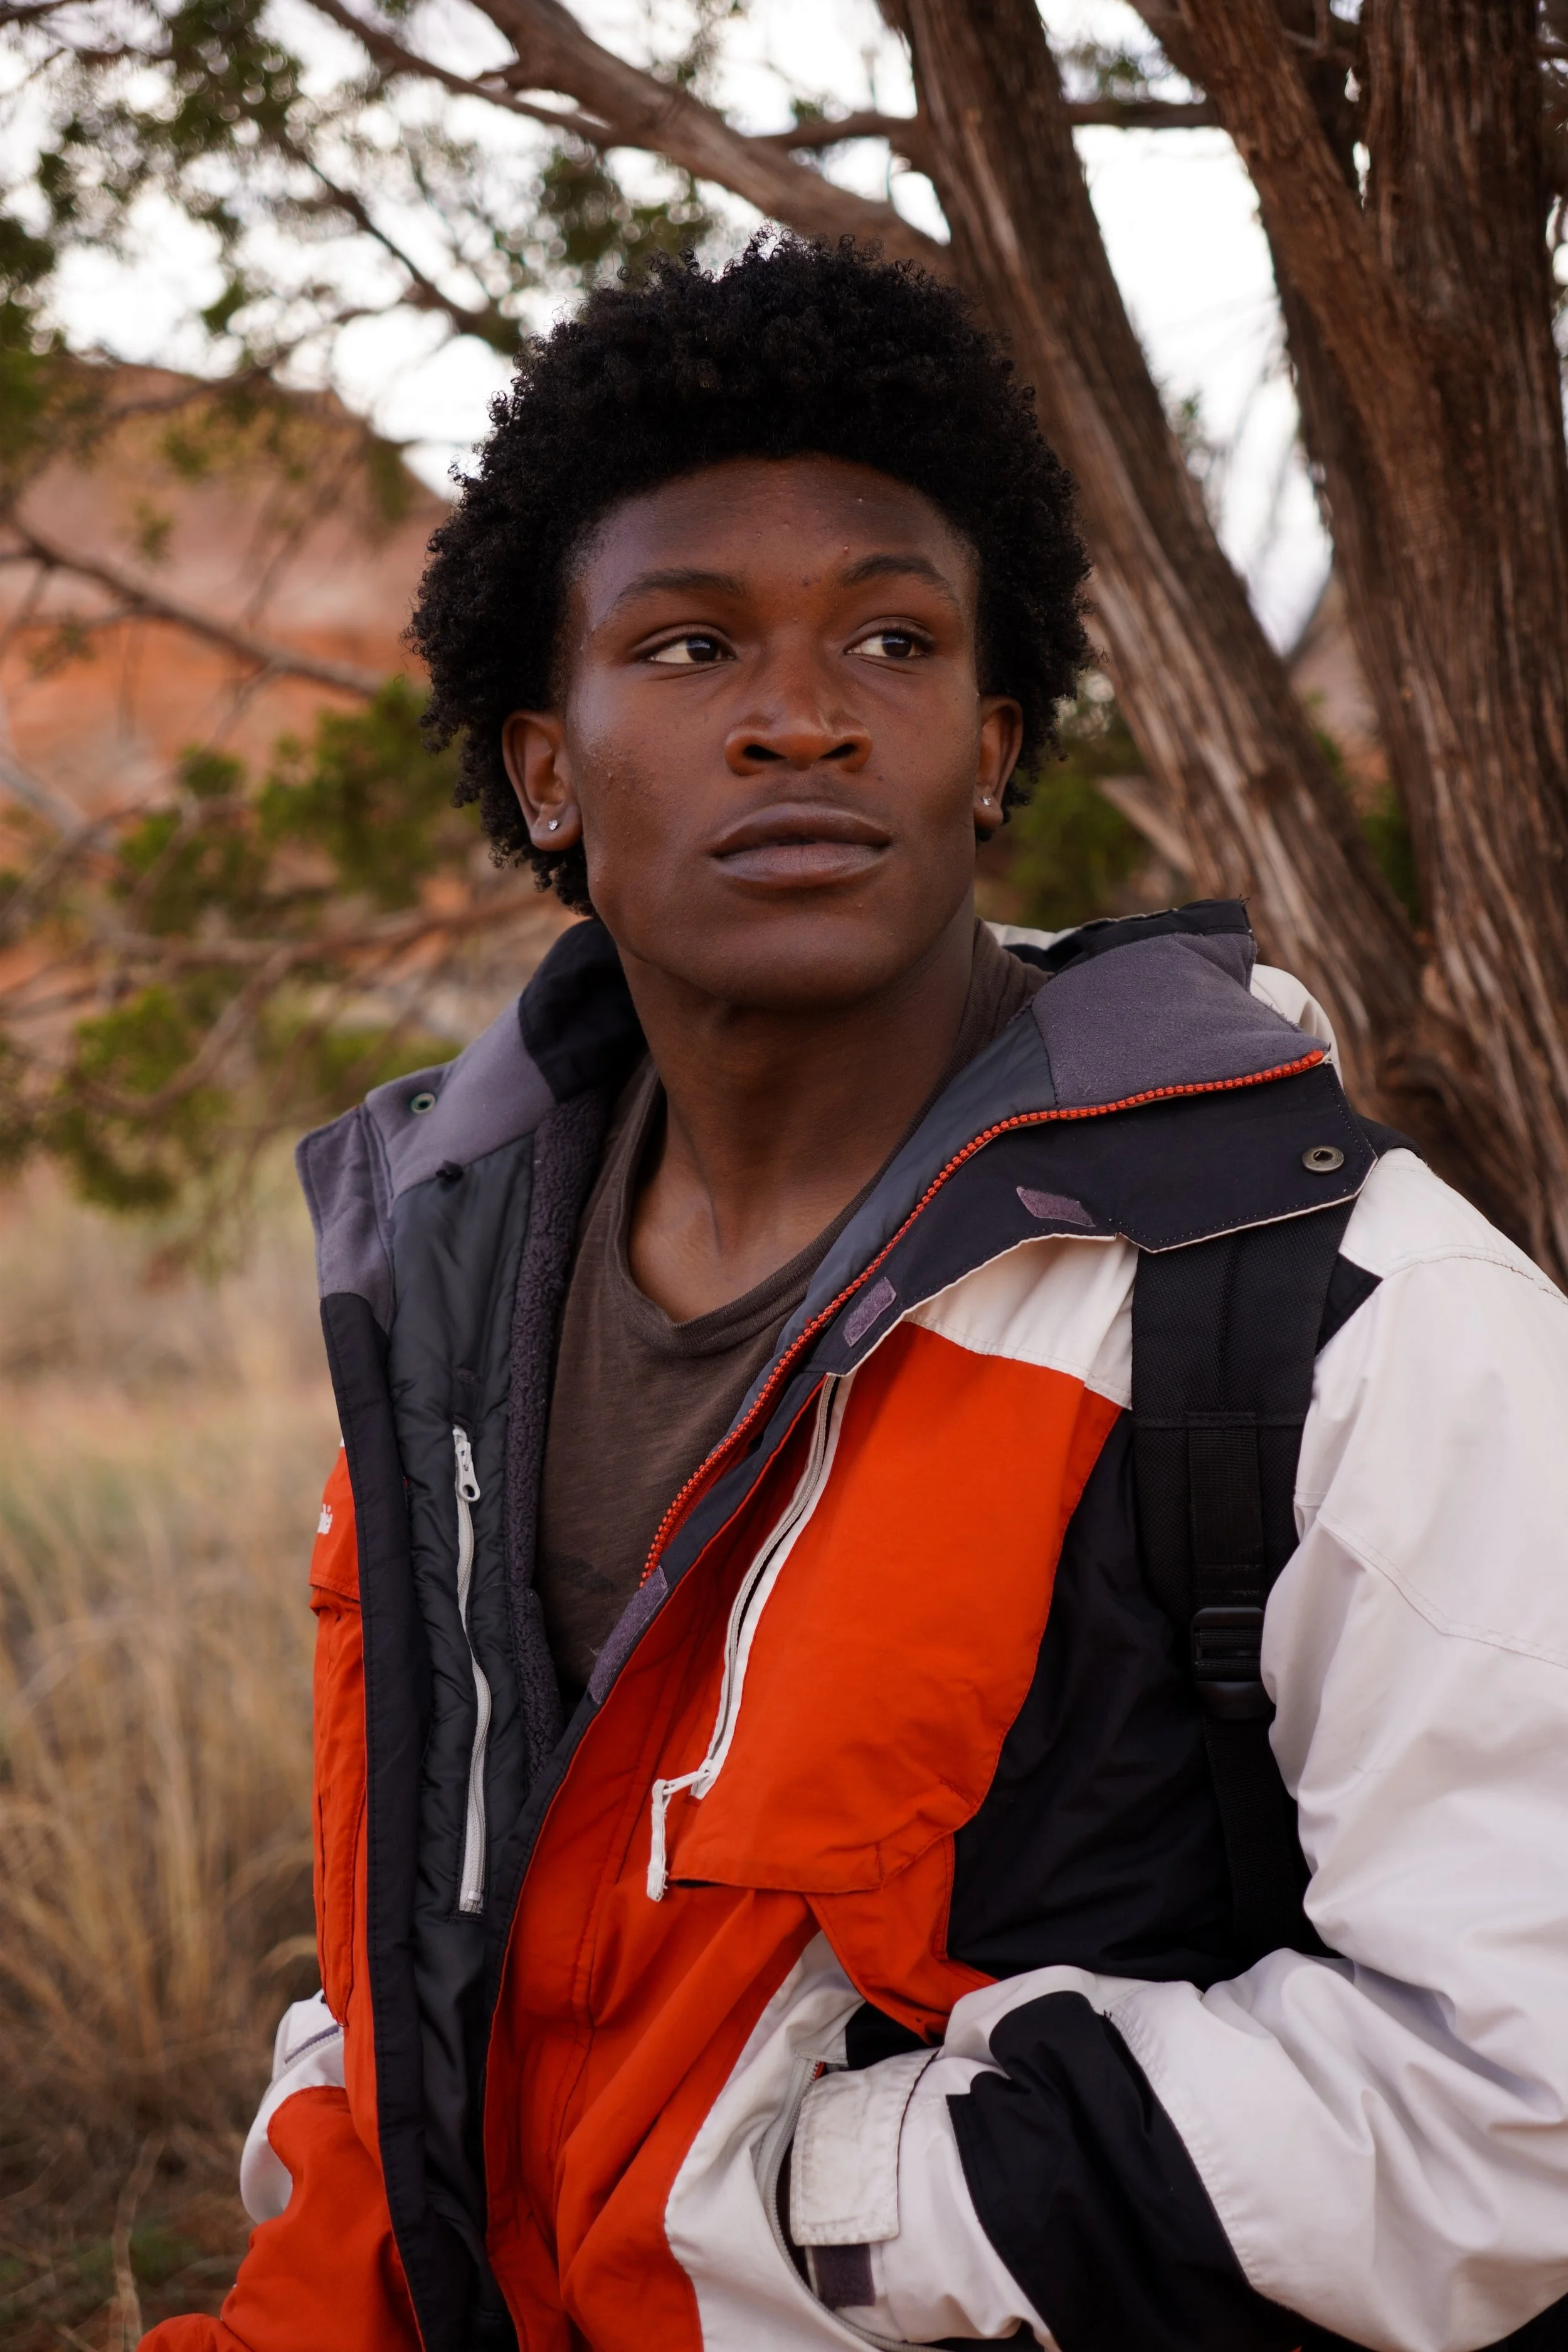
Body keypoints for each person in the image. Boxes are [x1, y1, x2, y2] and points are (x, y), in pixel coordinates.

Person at [144, 240, 1568, 2352]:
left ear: (989, 748)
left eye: (889, 639)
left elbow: (1517, 2094)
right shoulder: (436, 1278)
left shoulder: (1337, 1301)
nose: (801, 715)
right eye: (693, 640)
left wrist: (793, 2194)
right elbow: (434, 1930)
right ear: (545, 768)